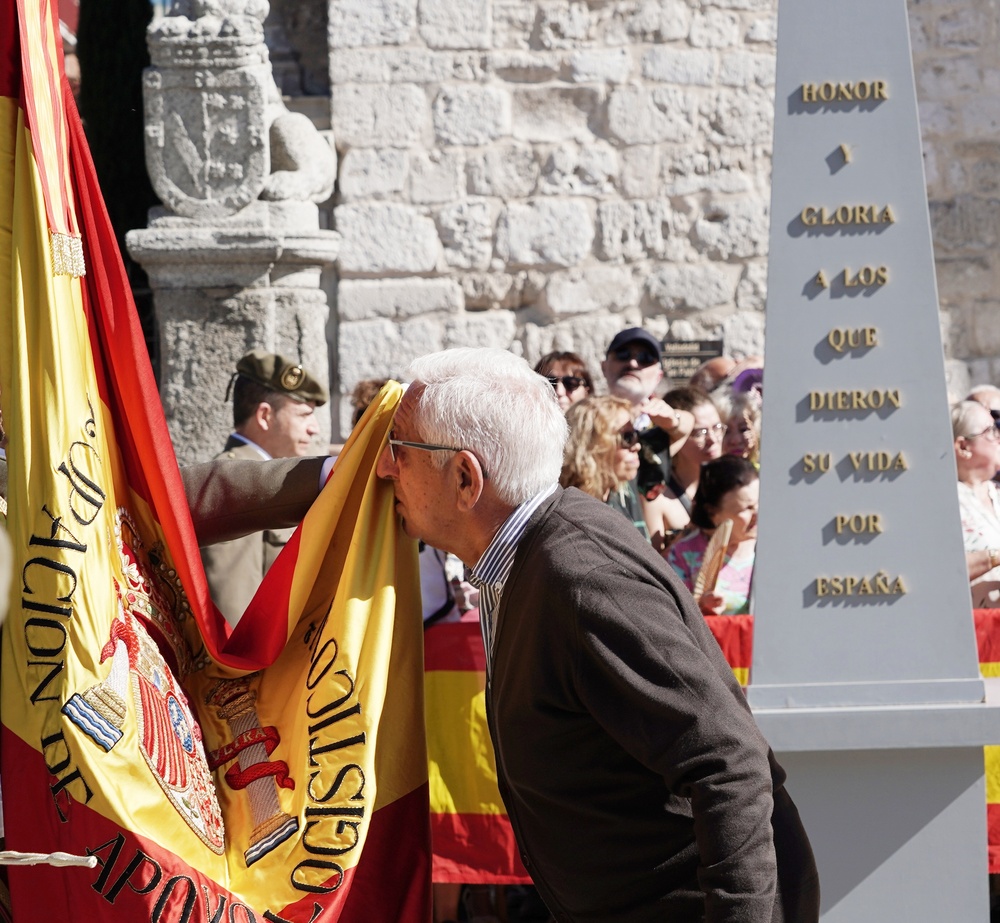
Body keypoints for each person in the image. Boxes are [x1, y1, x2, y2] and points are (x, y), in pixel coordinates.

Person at [374, 347, 818, 923]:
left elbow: (727, 759)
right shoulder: (538, 552)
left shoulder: (578, 576)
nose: (387, 469)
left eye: (400, 450)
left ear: (465, 476)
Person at [199, 349, 327, 626]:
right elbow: (234, 603)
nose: (314, 428)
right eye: (304, 415)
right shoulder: (235, 483)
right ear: (265, 416)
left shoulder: (266, 474)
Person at [600, 328, 692, 499]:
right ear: (604, 367)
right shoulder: (587, 420)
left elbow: (688, 422)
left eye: (645, 358)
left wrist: (672, 420)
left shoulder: (653, 429)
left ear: (659, 376)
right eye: (623, 354)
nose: (633, 363)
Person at [666, 456, 759, 615]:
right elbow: (674, 616)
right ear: (713, 513)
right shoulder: (684, 554)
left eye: (760, 502)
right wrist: (701, 608)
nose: (757, 513)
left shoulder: (775, 547)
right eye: (747, 508)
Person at [643, 386, 727, 552]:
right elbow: (653, 562)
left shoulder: (727, 482)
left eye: (717, 428)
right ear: (677, 435)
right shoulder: (655, 495)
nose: (712, 439)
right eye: (700, 432)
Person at [561, 395, 648, 539]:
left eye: (636, 434)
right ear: (593, 446)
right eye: (627, 437)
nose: (637, 446)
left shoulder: (622, 491)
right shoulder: (573, 514)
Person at [953, 400, 1000, 607]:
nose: (998, 438)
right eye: (990, 431)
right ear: (963, 447)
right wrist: (994, 557)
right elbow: (937, 573)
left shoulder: (996, 493)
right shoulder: (946, 504)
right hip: (974, 631)